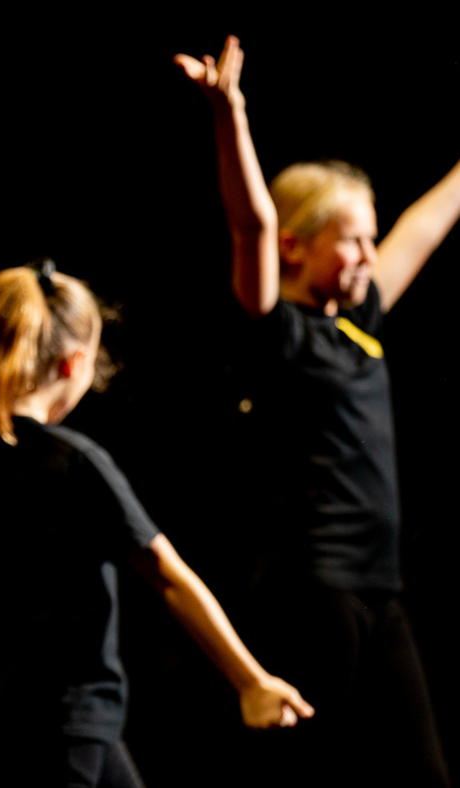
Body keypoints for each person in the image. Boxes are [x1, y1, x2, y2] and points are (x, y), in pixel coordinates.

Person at [175, 36, 460, 786]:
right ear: (299, 248)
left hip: (379, 585)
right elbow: (252, 227)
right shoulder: (277, 332)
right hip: (312, 586)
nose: (369, 254)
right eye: (351, 239)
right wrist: (229, 114)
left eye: (372, 237)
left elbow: (427, 225)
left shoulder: (363, 318)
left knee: (422, 769)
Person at [0, 264, 313, 788]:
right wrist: (251, 680)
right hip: (68, 713)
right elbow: (167, 574)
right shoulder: (73, 460)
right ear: (75, 364)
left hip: (0, 705)